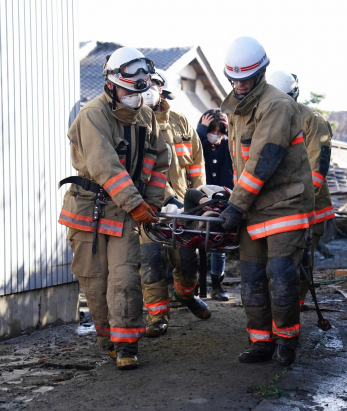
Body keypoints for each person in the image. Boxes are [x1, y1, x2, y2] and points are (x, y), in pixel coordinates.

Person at [58, 47, 169, 369]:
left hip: (124, 213)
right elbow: (105, 167)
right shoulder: (93, 115)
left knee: (125, 280)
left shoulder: (147, 117)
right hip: (88, 211)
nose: (135, 96)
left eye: (141, 89)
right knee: (94, 281)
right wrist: (137, 205)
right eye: (128, 89)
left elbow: (159, 163)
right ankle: (107, 338)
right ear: (110, 84)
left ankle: (126, 345)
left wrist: (152, 203)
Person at [219, 36, 314, 367]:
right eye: (234, 80)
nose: (240, 86)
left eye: (246, 80)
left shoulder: (276, 105)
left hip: (285, 205)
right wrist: (229, 201)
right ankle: (261, 342)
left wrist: (235, 205)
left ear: (261, 73)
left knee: (281, 273)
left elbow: (262, 162)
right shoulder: (236, 110)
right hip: (252, 208)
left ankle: (287, 340)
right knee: (251, 278)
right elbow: (239, 165)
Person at [139, 69, 211, 338]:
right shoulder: (134, 123)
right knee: (151, 262)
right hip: (148, 209)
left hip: (183, 209)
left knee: (187, 261)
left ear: (163, 88)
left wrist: (198, 200)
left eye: (155, 84)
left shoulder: (181, 123)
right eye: (145, 84)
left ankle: (186, 295)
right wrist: (167, 199)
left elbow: (196, 165)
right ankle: (157, 316)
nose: (150, 88)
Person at [268, 70, 334, 309]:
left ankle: (293, 306)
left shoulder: (313, 120)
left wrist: (302, 203)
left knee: (302, 260)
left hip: (310, 206)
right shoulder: (269, 117)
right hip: (278, 205)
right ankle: (281, 306)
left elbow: (318, 167)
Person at [197, 110, 233, 301]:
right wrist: (201, 130)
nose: (216, 135)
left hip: (224, 200)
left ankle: (217, 286)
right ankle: (195, 286)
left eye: (220, 131)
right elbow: (194, 146)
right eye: (212, 131)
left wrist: (231, 126)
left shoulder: (227, 145)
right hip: (201, 198)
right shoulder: (200, 144)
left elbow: (237, 141)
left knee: (220, 243)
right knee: (196, 241)